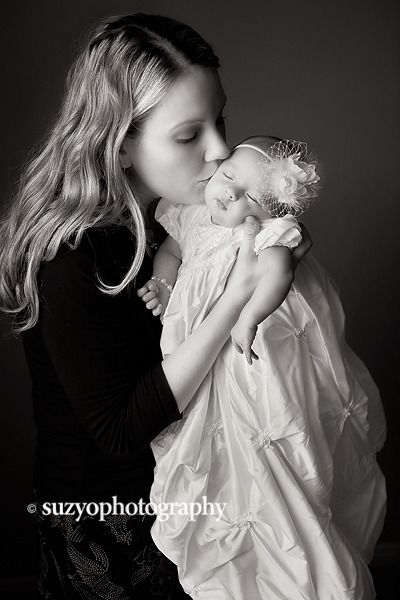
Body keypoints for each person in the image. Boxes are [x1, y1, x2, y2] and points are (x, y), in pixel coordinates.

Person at [0, 14, 312, 600]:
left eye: (219, 119)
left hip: (199, 495)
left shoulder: (182, 218)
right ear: (117, 147)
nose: (222, 148)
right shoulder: (71, 254)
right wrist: (238, 298)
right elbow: (120, 429)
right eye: (189, 134)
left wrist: (281, 246)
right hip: (112, 523)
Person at [138, 136, 387, 599]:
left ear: (270, 210)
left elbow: (278, 274)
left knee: (259, 438)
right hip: (196, 347)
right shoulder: (192, 212)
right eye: (229, 176)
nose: (230, 193)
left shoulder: (263, 233)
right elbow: (172, 250)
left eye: (251, 196)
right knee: (209, 443)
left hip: (247, 351)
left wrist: (248, 319)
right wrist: (163, 281)